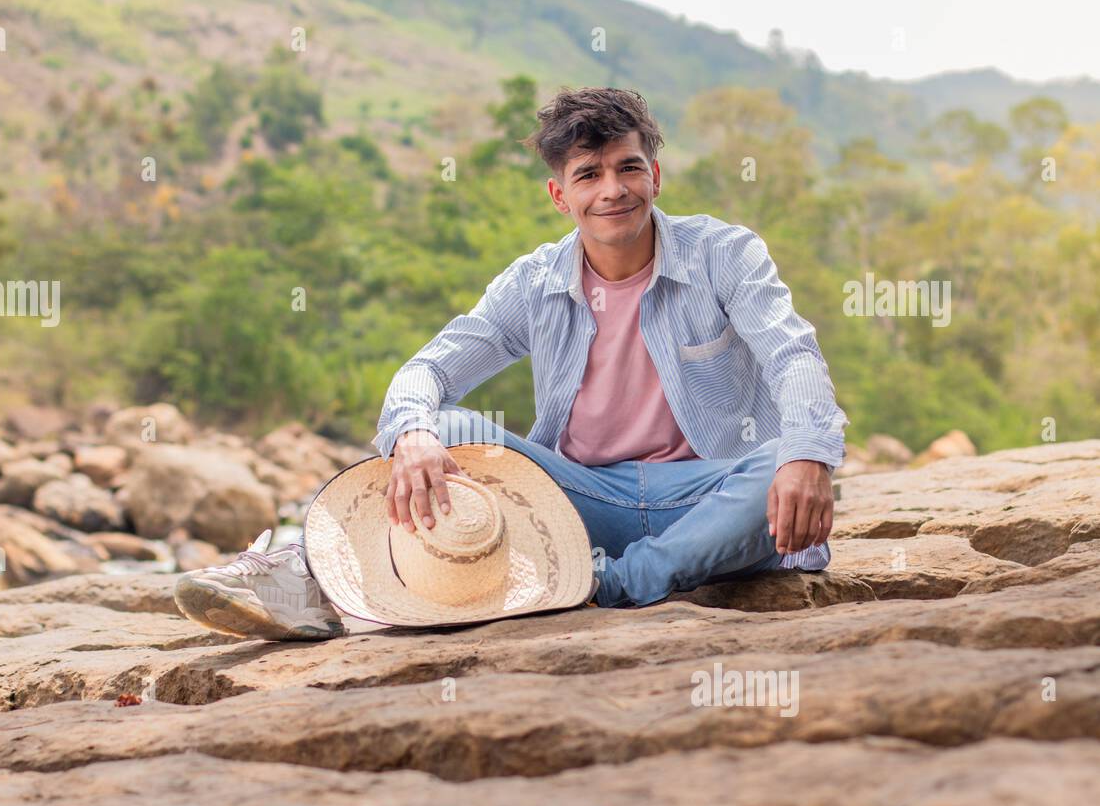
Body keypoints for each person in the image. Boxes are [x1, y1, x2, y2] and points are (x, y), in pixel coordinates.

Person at [174, 86, 847, 641]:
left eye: (628, 167)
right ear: (561, 196)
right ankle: (308, 574)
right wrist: (413, 435)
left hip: (712, 491)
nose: (612, 190)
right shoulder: (534, 282)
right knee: (449, 430)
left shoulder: (725, 254)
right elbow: (425, 373)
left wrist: (807, 458)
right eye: (589, 175)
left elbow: (792, 354)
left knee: (787, 455)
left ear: (656, 176)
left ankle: (608, 584)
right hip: (580, 500)